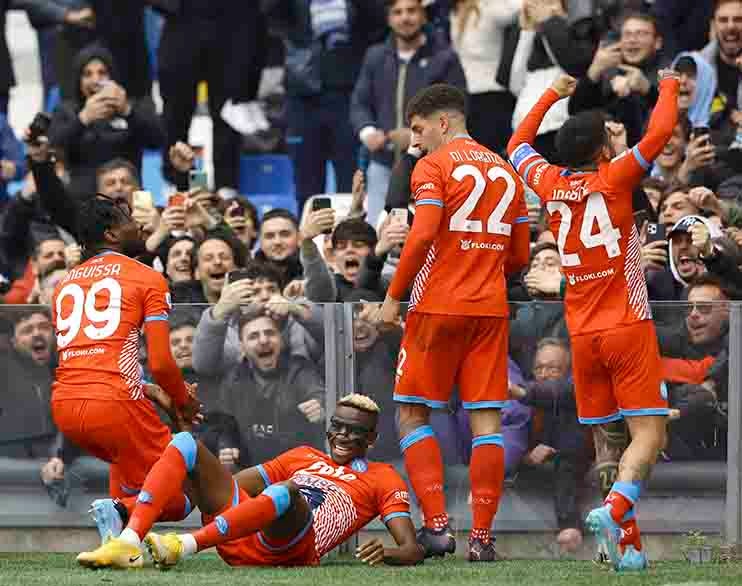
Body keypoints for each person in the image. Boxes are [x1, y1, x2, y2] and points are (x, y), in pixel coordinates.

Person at [506, 68, 681, 571]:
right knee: (650, 435)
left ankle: (626, 549)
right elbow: (661, 132)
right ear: (603, 149)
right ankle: (617, 509)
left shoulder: (548, 180)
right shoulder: (618, 176)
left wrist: (550, 95)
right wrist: (667, 84)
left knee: (608, 439)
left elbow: (517, 143)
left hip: (581, 333)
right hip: (626, 324)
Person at [374, 83, 530, 561]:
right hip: (489, 308)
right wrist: (484, 270)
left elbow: (421, 236)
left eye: (419, 129)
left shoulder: (433, 166)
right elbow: (521, 255)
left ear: (443, 122)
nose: (415, 141)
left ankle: (437, 528)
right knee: (487, 421)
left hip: (437, 305)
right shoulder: (506, 170)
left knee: (413, 411)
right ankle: (482, 539)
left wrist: (392, 298)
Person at [75, 394, 424, 569]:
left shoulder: (384, 477)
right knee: (185, 445)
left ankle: (183, 546)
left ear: (372, 439)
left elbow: (413, 547)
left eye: (355, 431)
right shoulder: (301, 455)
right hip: (239, 532)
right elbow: (227, 485)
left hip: (291, 547)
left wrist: (390, 553)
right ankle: (128, 535)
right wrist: (180, 424)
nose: (343, 436)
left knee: (286, 489)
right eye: (338, 426)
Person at [49, 196, 200, 542]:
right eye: (130, 219)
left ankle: (115, 540)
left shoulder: (63, 285)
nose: (141, 225)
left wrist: (148, 389)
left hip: (66, 406)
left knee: (126, 465)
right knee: (185, 494)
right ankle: (120, 512)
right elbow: (162, 363)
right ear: (112, 233)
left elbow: (90, 357)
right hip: (115, 405)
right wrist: (183, 402)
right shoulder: (146, 278)